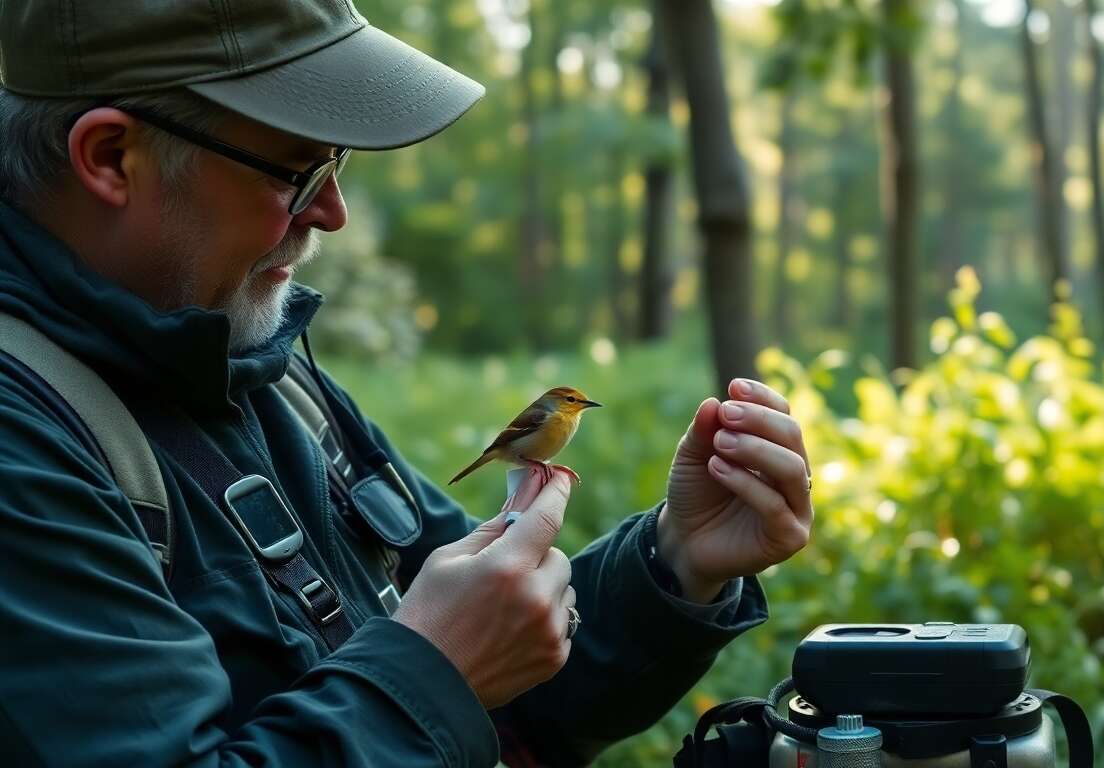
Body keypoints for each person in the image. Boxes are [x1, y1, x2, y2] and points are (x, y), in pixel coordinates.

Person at [0, 1, 814, 766]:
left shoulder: (262, 377)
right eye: (297, 172)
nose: (333, 214)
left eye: (336, 163)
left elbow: (511, 670)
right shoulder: (25, 442)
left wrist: (676, 559)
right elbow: (453, 663)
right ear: (112, 158)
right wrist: (429, 674)